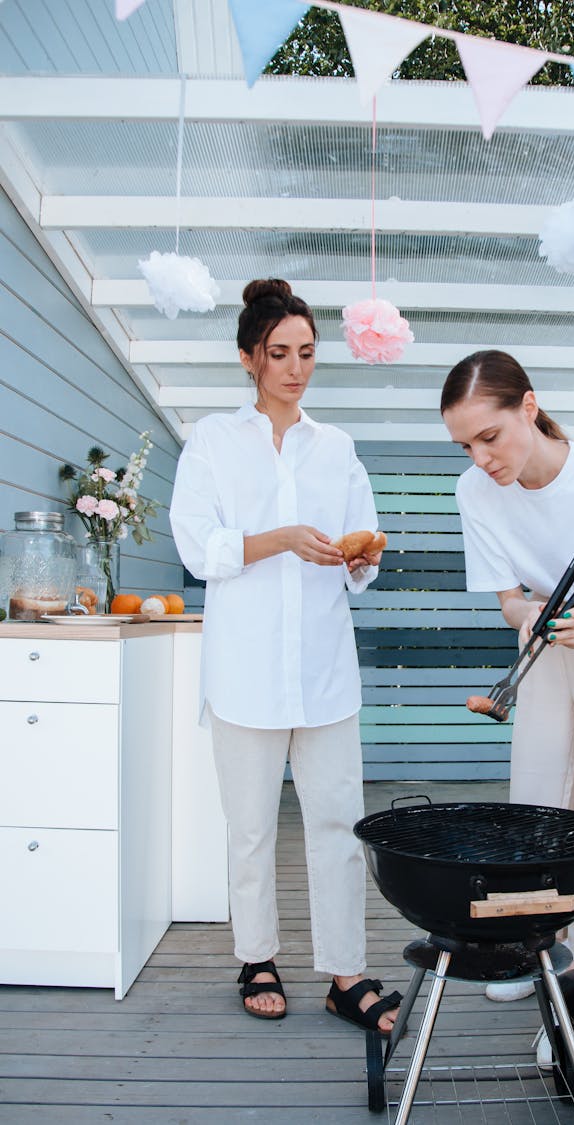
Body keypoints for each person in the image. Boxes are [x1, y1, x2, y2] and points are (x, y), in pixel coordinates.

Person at [169, 278, 401, 1034]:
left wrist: (359, 558)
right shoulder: (211, 440)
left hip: (325, 670)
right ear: (248, 359)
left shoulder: (338, 449)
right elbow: (197, 546)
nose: (295, 368)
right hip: (244, 670)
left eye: (306, 352)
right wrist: (279, 538)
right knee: (251, 826)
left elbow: (359, 545)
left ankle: (345, 972)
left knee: (338, 820)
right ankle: (257, 956)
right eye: (279, 354)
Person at [440, 350, 574, 1066]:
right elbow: (509, 596)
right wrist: (530, 615)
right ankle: (531, 950)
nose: (481, 459)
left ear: (528, 408)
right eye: (466, 446)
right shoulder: (474, 492)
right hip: (547, 636)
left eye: (490, 437)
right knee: (538, 800)